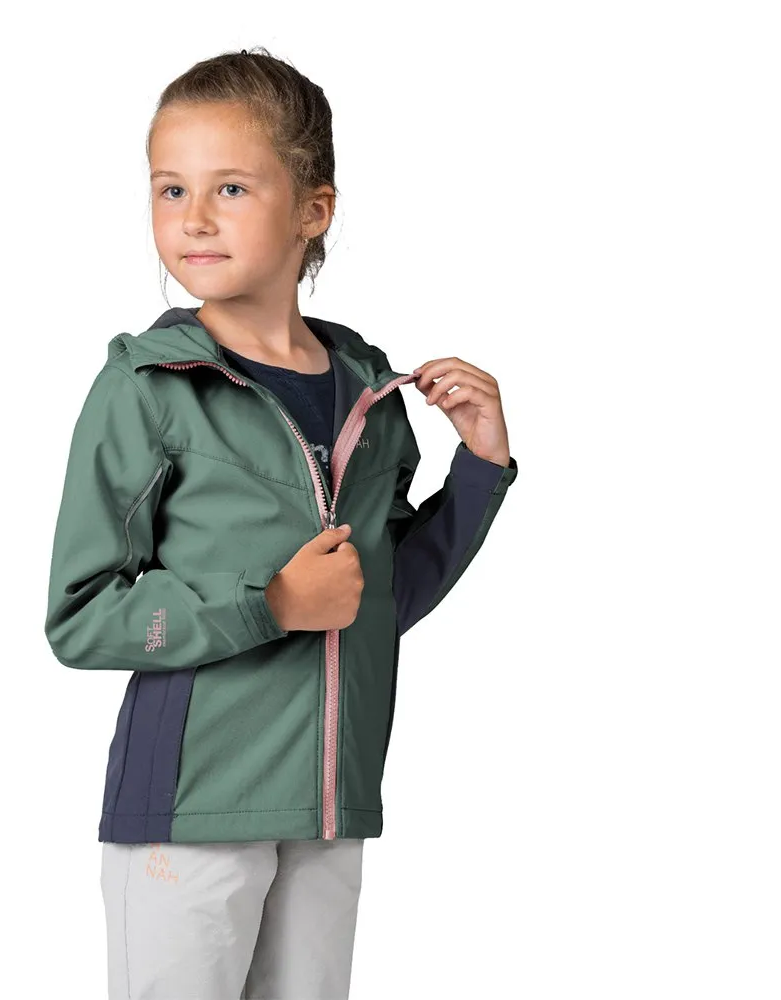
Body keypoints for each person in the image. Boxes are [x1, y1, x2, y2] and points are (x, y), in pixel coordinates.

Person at [43, 45, 519, 1000]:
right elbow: (81, 615)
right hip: (186, 814)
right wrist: (270, 605)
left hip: (328, 809)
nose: (194, 218)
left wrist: (480, 470)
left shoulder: (370, 395)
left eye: (230, 187)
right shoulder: (147, 387)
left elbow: (377, 600)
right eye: (171, 189)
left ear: (314, 209)